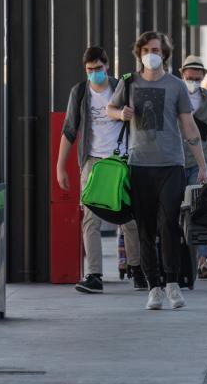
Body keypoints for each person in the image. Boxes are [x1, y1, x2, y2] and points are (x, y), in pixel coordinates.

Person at [107, 31, 207, 311]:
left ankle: (173, 283)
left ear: (165, 53)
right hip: (139, 164)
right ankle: (154, 287)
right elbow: (110, 108)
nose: (151, 54)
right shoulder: (129, 82)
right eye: (146, 49)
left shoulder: (176, 86)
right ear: (139, 53)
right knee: (145, 229)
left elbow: (189, 126)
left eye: (156, 49)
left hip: (171, 164)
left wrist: (201, 164)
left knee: (168, 225)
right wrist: (120, 115)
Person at [57, 46, 145, 293]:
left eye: (98, 68)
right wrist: (60, 166)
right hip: (93, 162)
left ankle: (137, 269)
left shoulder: (121, 87)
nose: (94, 73)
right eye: (89, 69)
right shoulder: (81, 92)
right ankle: (94, 274)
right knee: (90, 217)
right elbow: (69, 130)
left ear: (107, 66)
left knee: (128, 218)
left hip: (123, 161)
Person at [179, 55, 207, 279]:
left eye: (197, 78)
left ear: (203, 77)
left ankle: (203, 261)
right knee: (173, 210)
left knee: (199, 208)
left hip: (199, 163)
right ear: (182, 74)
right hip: (174, 160)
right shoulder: (173, 96)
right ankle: (177, 259)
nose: (193, 81)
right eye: (189, 77)